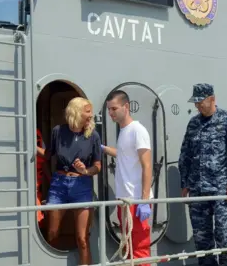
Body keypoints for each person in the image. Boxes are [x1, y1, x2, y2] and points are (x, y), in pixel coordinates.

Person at [178, 83, 227, 266]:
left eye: (201, 102)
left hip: (222, 191)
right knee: (202, 241)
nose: (198, 105)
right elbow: (185, 154)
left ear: (212, 99)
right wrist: (185, 183)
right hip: (198, 191)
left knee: (225, 237)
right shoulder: (194, 123)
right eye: (196, 102)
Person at [44, 97, 101, 265]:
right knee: (52, 234)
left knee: (82, 238)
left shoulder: (93, 136)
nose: (91, 115)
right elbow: (48, 156)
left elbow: (98, 166)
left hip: (82, 185)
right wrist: (28, 146)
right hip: (58, 186)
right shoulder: (58, 131)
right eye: (88, 111)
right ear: (76, 112)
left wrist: (85, 170)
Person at [101, 90, 153, 266]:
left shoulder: (137, 130)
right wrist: (103, 148)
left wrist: (144, 201)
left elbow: (147, 165)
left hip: (137, 199)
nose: (110, 113)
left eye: (114, 109)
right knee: (128, 247)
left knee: (139, 250)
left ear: (126, 106)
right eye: (109, 109)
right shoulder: (124, 131)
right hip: (125, 199)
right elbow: (124, 155)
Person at [36, 128, 51, 228]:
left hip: (37, 185)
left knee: (38, 219)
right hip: (25, 185)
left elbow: (45, 156)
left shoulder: (37, 133)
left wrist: (51, 180)